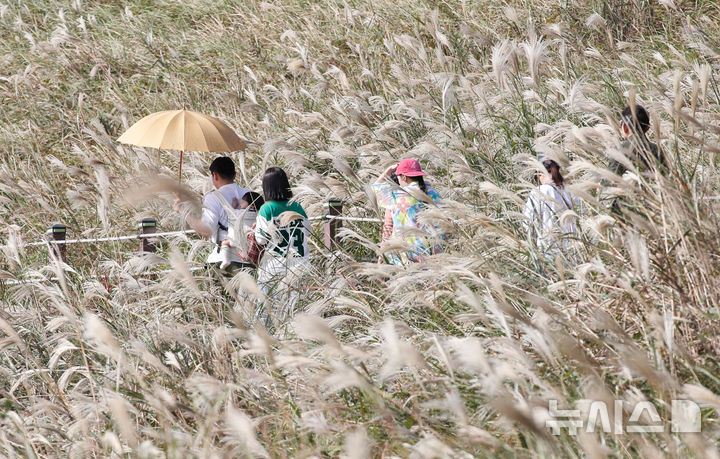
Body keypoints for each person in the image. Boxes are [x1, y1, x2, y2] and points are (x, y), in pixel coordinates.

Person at [253, 167, 311, 328]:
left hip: (275, 269)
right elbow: (307, 231)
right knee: (296, 313)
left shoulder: (267, 209)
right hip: (301, 266)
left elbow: (261, 239)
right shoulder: (297, 207)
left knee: (266, 312)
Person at [173, 156, 251, 271]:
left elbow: (206, 230)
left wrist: (182, 211)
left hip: (224, 261)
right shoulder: (251, 194)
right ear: (235, 175)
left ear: (215, 175)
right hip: (250, 259)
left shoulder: (213, 198)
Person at [373, 159, 444, 264]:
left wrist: (388, 171)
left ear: (404, 177)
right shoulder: (433, 193)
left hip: (407, 251)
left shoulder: (397, 195)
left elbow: (375, 189)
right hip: (433, 250)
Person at [523, 155, 581, 259]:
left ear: (540, 173)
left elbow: (528, 222)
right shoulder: (572, 190)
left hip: (550, 250)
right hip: (576, 250)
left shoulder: (540, 191)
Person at [608, 104, 666, 178]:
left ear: (625, 127)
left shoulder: (619, 150)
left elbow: (610, 183)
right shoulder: (657, 150)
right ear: (647, 128)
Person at [219, 191, 265, 269]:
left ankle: (226, 260)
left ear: (251, 206)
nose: (240, 203)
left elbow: (230, 213)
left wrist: (234, 205)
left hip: (236, 240)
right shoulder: (259, 215)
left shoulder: (238, 213)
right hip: (251, 242)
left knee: (224, 243)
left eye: (243, 201)